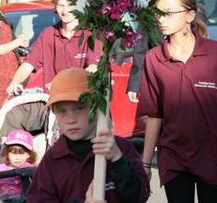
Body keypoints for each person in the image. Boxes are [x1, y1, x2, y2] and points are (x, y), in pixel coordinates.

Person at [139, 0, 217, 203]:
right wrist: (146, 163)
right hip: (174, 155)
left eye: (168, 13)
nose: (160, 19)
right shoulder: (153, 59)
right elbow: (155, 115)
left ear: (190, 16)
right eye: (158, 13)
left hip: (213, 153)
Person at [0, 0, 102, 165]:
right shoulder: (49, 34)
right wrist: (15, 82)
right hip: (52, 103)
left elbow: (93, 67)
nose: (65, 10)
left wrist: (64, 84)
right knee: (11, 114)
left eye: (70, 5)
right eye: (60, 5)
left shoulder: (91, 34)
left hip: (82, 104)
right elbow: (29, 64)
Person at [27, 68, 149, 203]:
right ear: (54, 112)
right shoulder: (52, 161)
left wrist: (117, 159)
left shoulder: (121, 148)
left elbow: (140, 196)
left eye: (79, 108)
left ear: (96, 107)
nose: (71, 119)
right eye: (62, 111)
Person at [0, 130, 36, 198]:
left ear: (28, 154)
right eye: (13, 153)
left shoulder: (29, 168)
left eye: (21, 153)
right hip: (1, 199)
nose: (17, 157)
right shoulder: (1, 168)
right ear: (7, 153)